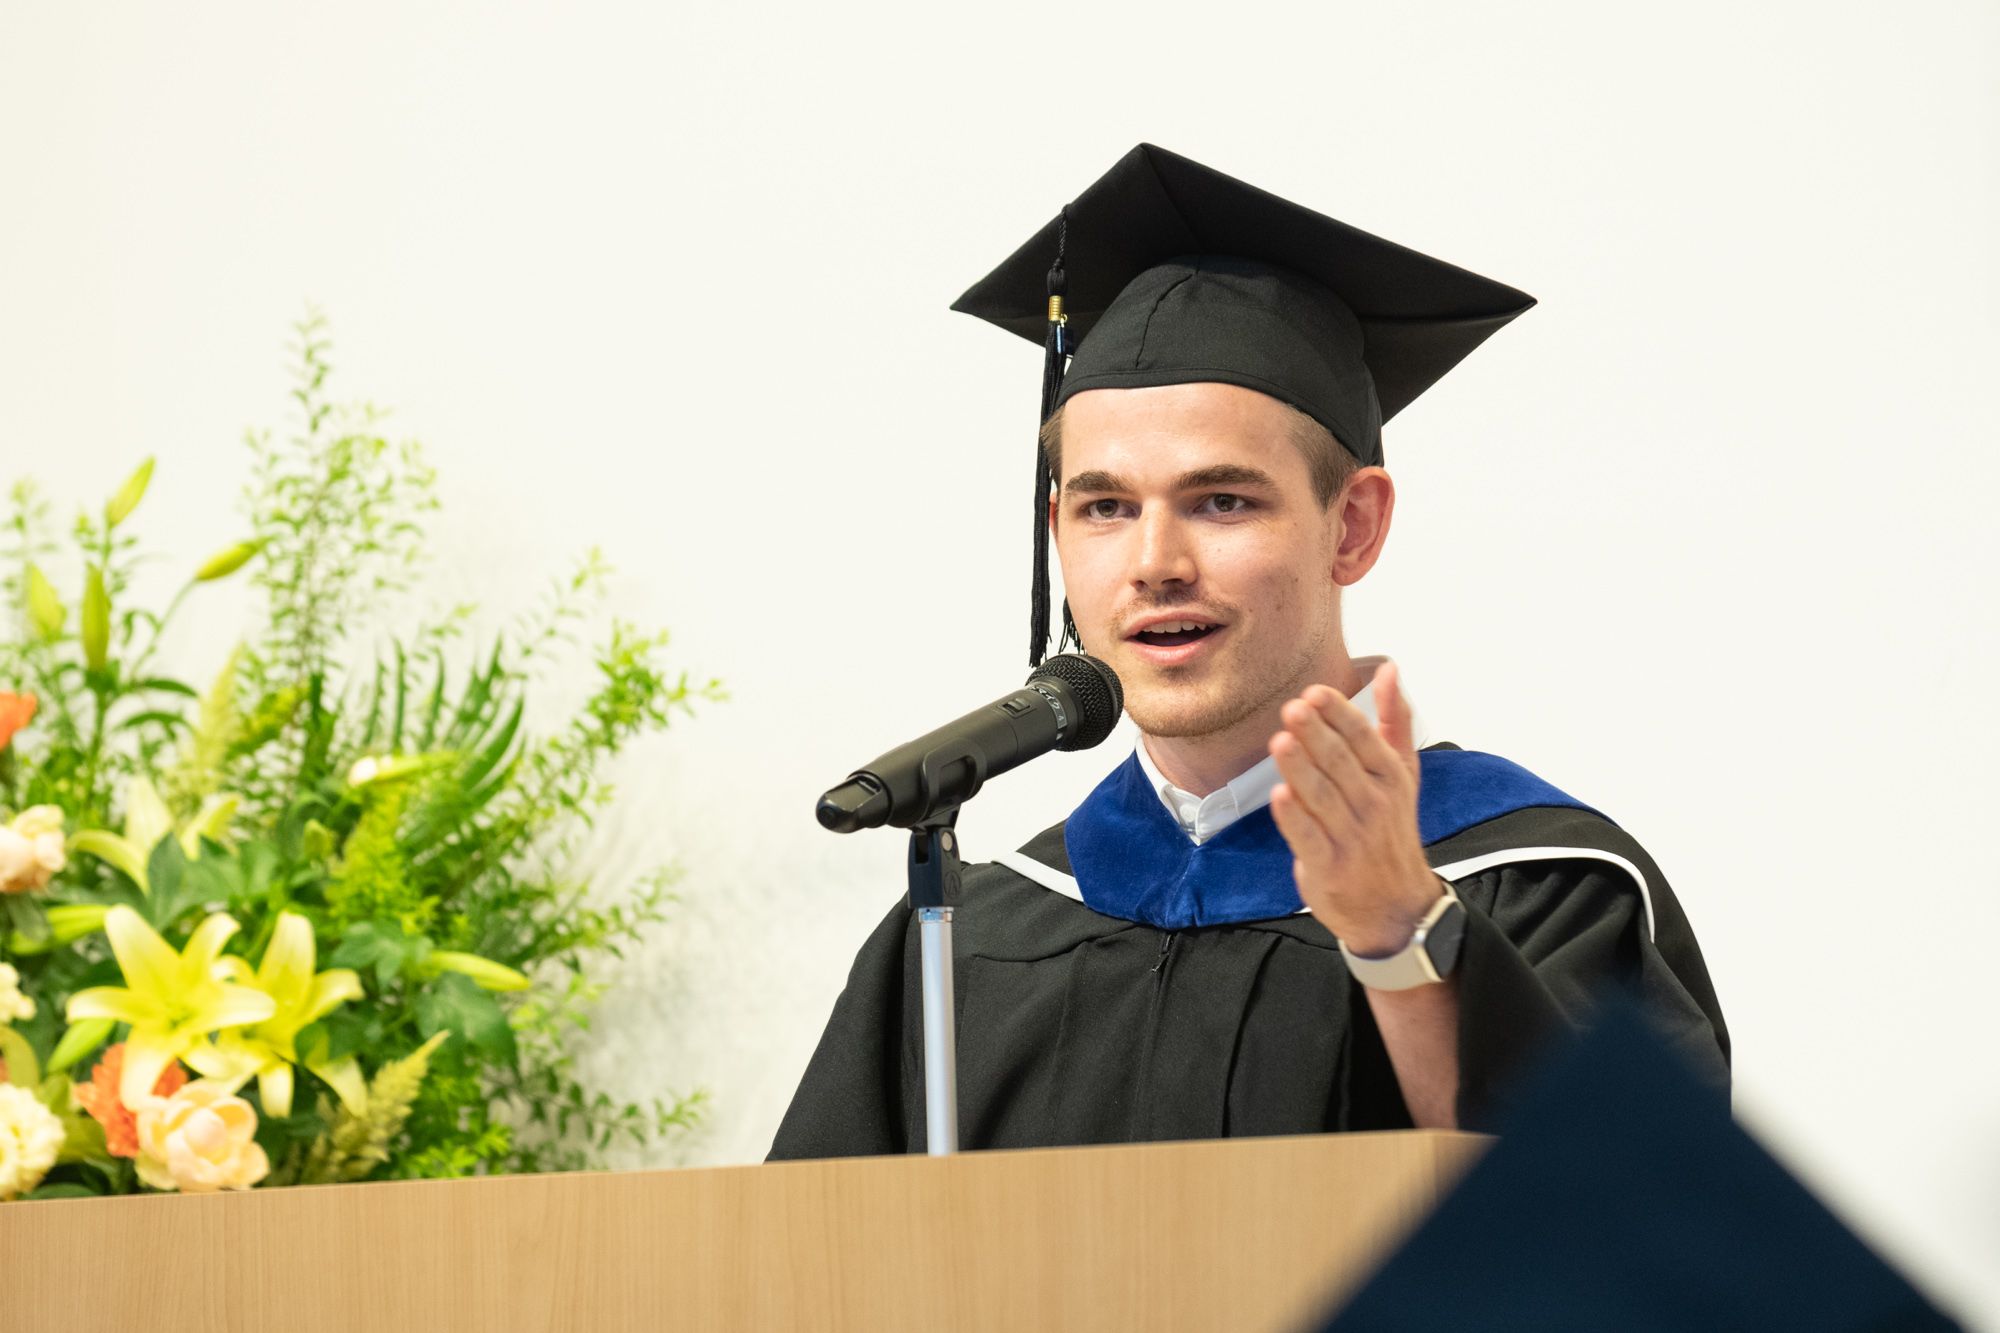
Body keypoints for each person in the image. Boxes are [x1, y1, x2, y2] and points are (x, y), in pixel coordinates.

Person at [768, 144, 1727, 1159]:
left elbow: (1644, 1254)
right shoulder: (969, 941)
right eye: (1104, 507)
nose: (1153, 562)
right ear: (1056, 532)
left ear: (1350, 528)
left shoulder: (1537, 890)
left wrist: (1402, 935)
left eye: (1219, 500)